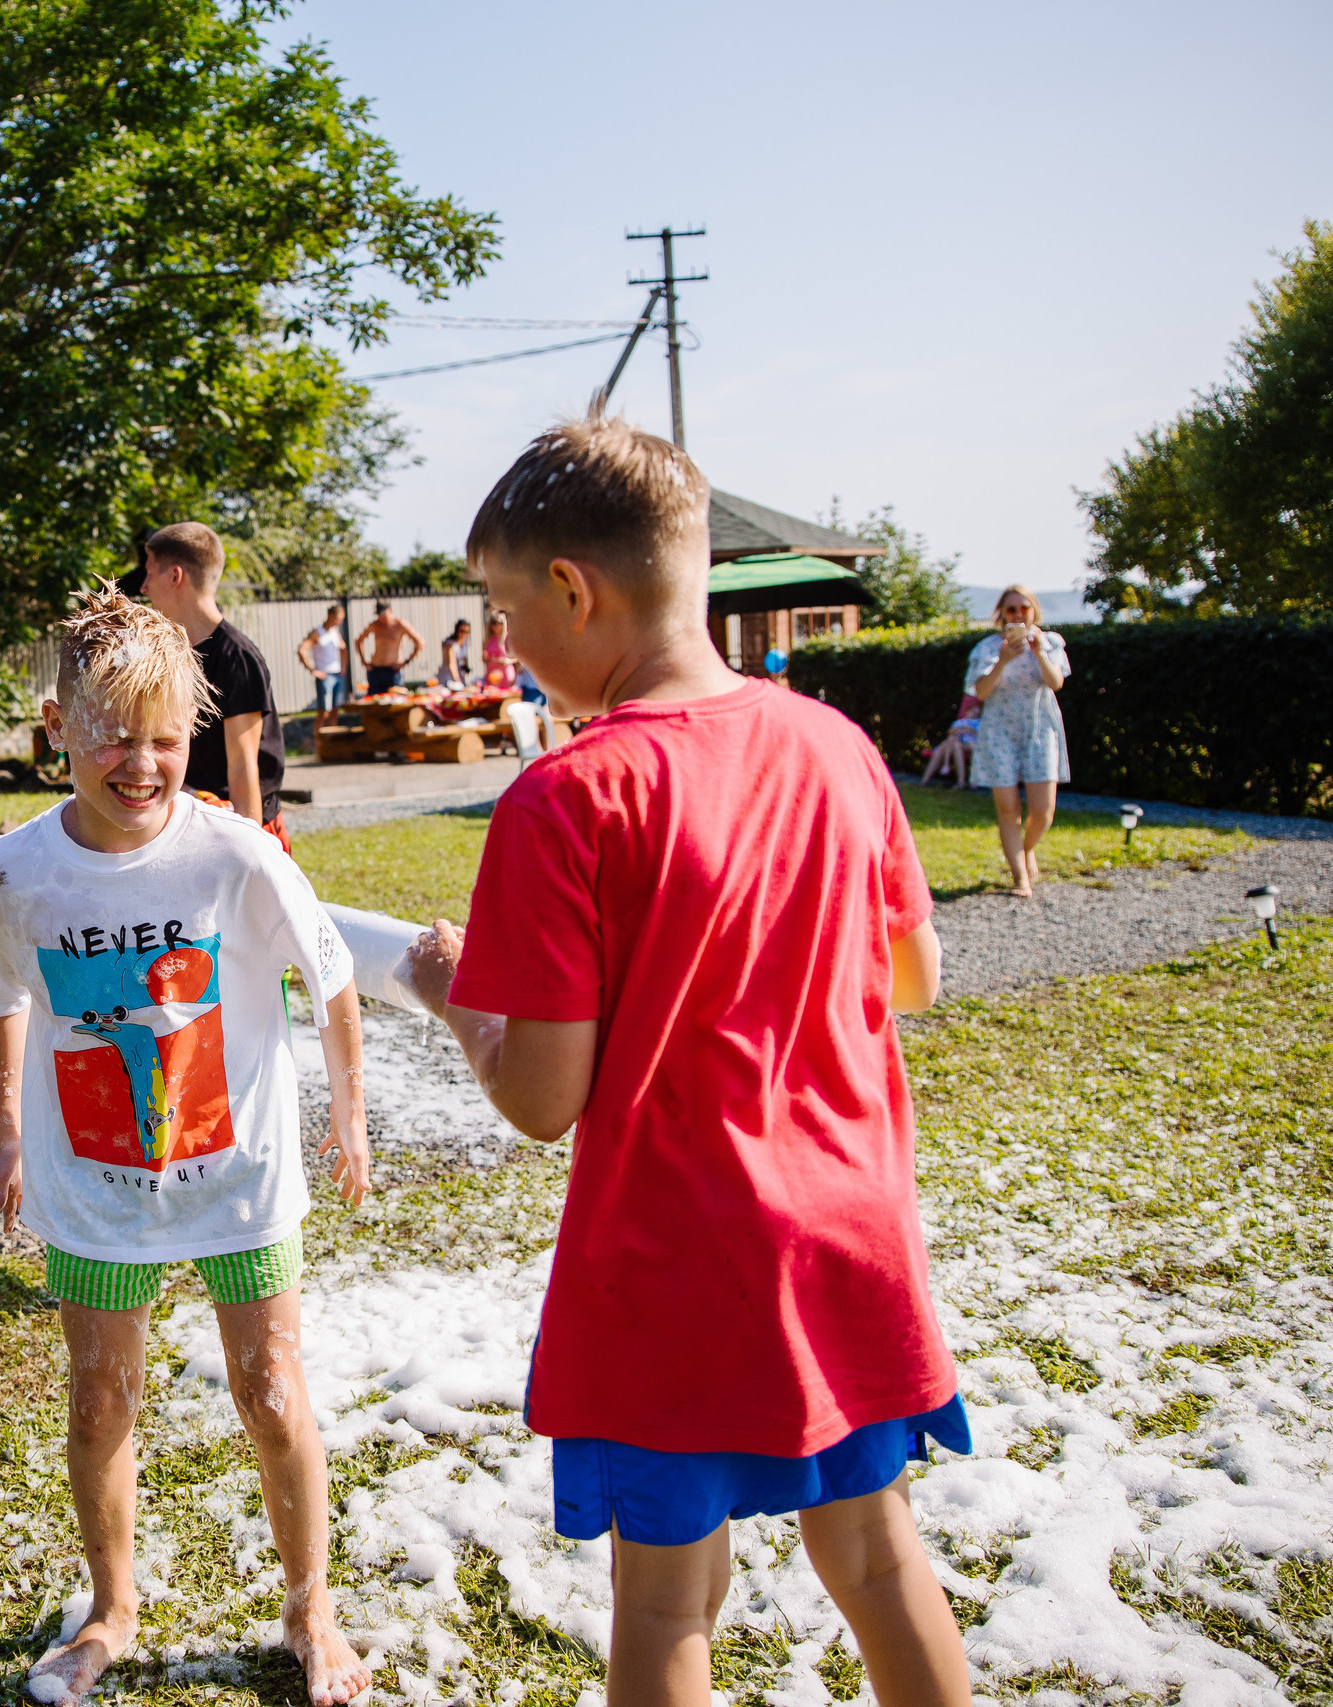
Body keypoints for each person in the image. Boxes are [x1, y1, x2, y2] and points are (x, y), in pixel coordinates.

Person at [403, 418, 970, 1707]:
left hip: (675, 1267)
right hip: (851, 1236)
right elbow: (912, 978)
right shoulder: (834, 744)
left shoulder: (564, 796)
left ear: (572, 589)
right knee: (881, 1560)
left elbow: (541, 1100)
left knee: (665, 1604)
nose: (506, 647)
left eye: (504, 613)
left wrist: (452, 999)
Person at [0, 586, 373, 1707]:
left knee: (270, 1390)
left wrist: (350, 1120)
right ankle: (112, 1608)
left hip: (238, 1176)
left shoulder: (237, 854)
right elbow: (0, 997)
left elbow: (331, 979)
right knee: (98, 1400)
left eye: (166, 741)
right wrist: (7, 1134)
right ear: (56, 728)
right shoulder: (16, 870)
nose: (142, 765)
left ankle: (310, 1609)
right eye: (113, 738)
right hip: (96, 1186)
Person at [130, 522, 290, 852]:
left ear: (175, 576)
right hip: (193, 822)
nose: (143, 587)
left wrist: (249, 854)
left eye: (150, 573)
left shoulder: (236, 657)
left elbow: (243, 768)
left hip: (241, 826)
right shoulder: (170, 652)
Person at [966, 587, 1070, 898]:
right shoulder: (988, 648)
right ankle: (1019, 877)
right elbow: (980, 692)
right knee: (1008, 809)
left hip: (1039, 729)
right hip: (999, 732)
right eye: (1011, 609)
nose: (1018, 614)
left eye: (1024, 608)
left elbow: (1055, 683)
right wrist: (1002, 661)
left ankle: (1027, 850)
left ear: (1034, 609)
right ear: (1001, 613)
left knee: (1043, 810)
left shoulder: (1050, 642)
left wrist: (1038, 653)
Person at [355, 598, 424, 695]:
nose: (381, 618)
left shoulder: (399, 624)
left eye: (383, 614)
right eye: (379, 615)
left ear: (389, 609)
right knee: (373, 701)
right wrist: (364, 661)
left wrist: (406, 662)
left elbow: (420, 643)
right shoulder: (375, 625)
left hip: (392, 671)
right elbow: (358, 641)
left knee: (394, 700)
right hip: (375, 670)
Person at [295, 603, 349, 718]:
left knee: (335, 711)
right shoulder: (317, 632)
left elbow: (344, 650)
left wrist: (344, 667)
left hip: (337, 675)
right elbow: (301, 650)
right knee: (323, 712)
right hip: (324, 676)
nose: (340, 622)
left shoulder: (335, 632)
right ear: (330, 616)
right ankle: (320, 731)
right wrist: (312, 670)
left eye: (341, 619)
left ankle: (333, 730)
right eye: (338, 619)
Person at [919, 695, 981, 788]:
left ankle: (960, 780)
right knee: (945, 745)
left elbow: (981, 737)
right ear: (967, 711)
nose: (973, 715)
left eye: (976, 714)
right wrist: (957, 731)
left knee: (954, 744)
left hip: (967, 744)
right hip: (955, 741)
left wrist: (971, 731)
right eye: (972, 712)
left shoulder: (978, 723)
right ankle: (925, 780)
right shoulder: (960, 722)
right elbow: (950, 731)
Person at [480, 611, 516, 691]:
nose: (496, 625)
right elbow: (484, 658)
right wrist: (486, 658)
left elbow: (517, 657)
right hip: (492, 674)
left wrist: (509, 661)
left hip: (505, 674)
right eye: (494, 623)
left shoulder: (508, 638)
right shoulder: (488, 640)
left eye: (499, 623)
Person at [435, 618, 474, 688]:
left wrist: (466, 666)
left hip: (459, 674)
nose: (464, 634)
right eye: (462, 631)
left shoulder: (464, 642)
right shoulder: (450, 644)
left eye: (467, 632)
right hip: (448, 676)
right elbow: (451, 665)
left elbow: (464, 656)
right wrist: (458, 681)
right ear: (457, 630)